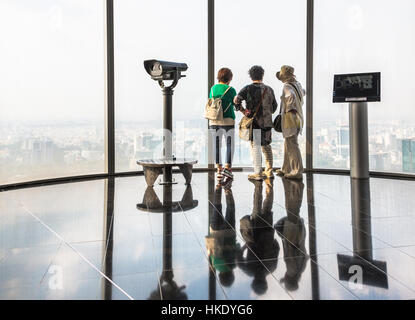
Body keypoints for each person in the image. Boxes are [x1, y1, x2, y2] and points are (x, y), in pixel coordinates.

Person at [234, 66, 278, 181]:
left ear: (251, 76)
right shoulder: (269, 89)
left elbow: (236, 100)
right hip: (267, 122)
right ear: (262, 75)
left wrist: (244, 111)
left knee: (256, 147)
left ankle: (258, 173)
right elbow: (274, 107)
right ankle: (269, 172)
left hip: (255, 122)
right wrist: (267, 112)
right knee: (267, 146)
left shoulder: (248, 89)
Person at [275, 65, 306, 179]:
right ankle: (286, 168)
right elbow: (303, 92)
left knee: (292, 145)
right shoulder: (297, 84)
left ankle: (297, 171)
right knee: (288, 144)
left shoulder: (287, 86)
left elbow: (290, 98)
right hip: (298, 118)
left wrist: (288, 106)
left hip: (290, 118)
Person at [209, 68, 237, 181]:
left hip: (214, 120)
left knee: (216, 145)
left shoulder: (213, 88)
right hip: (228, 120)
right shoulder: (231, 89)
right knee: (230, 145)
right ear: (230, 78)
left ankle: (219, 170)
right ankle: (227, 168)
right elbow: (235, 104)